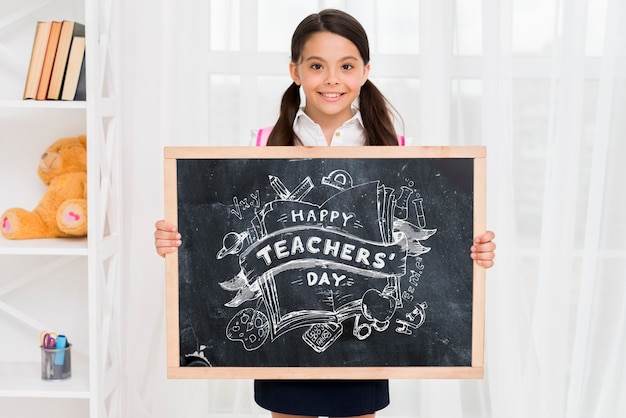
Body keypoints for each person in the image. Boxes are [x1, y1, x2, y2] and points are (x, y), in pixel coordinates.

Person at [154, 8, 496, 418]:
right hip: (286, 327)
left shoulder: (396, 147)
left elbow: (422, 240)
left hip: (362, 331)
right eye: (317, 66)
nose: (332, 79)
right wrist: (179, 240)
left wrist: (470, 250)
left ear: (365, 71)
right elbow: (232, 226)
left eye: (346, 66)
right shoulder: (261, 143)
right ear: (295, 71)